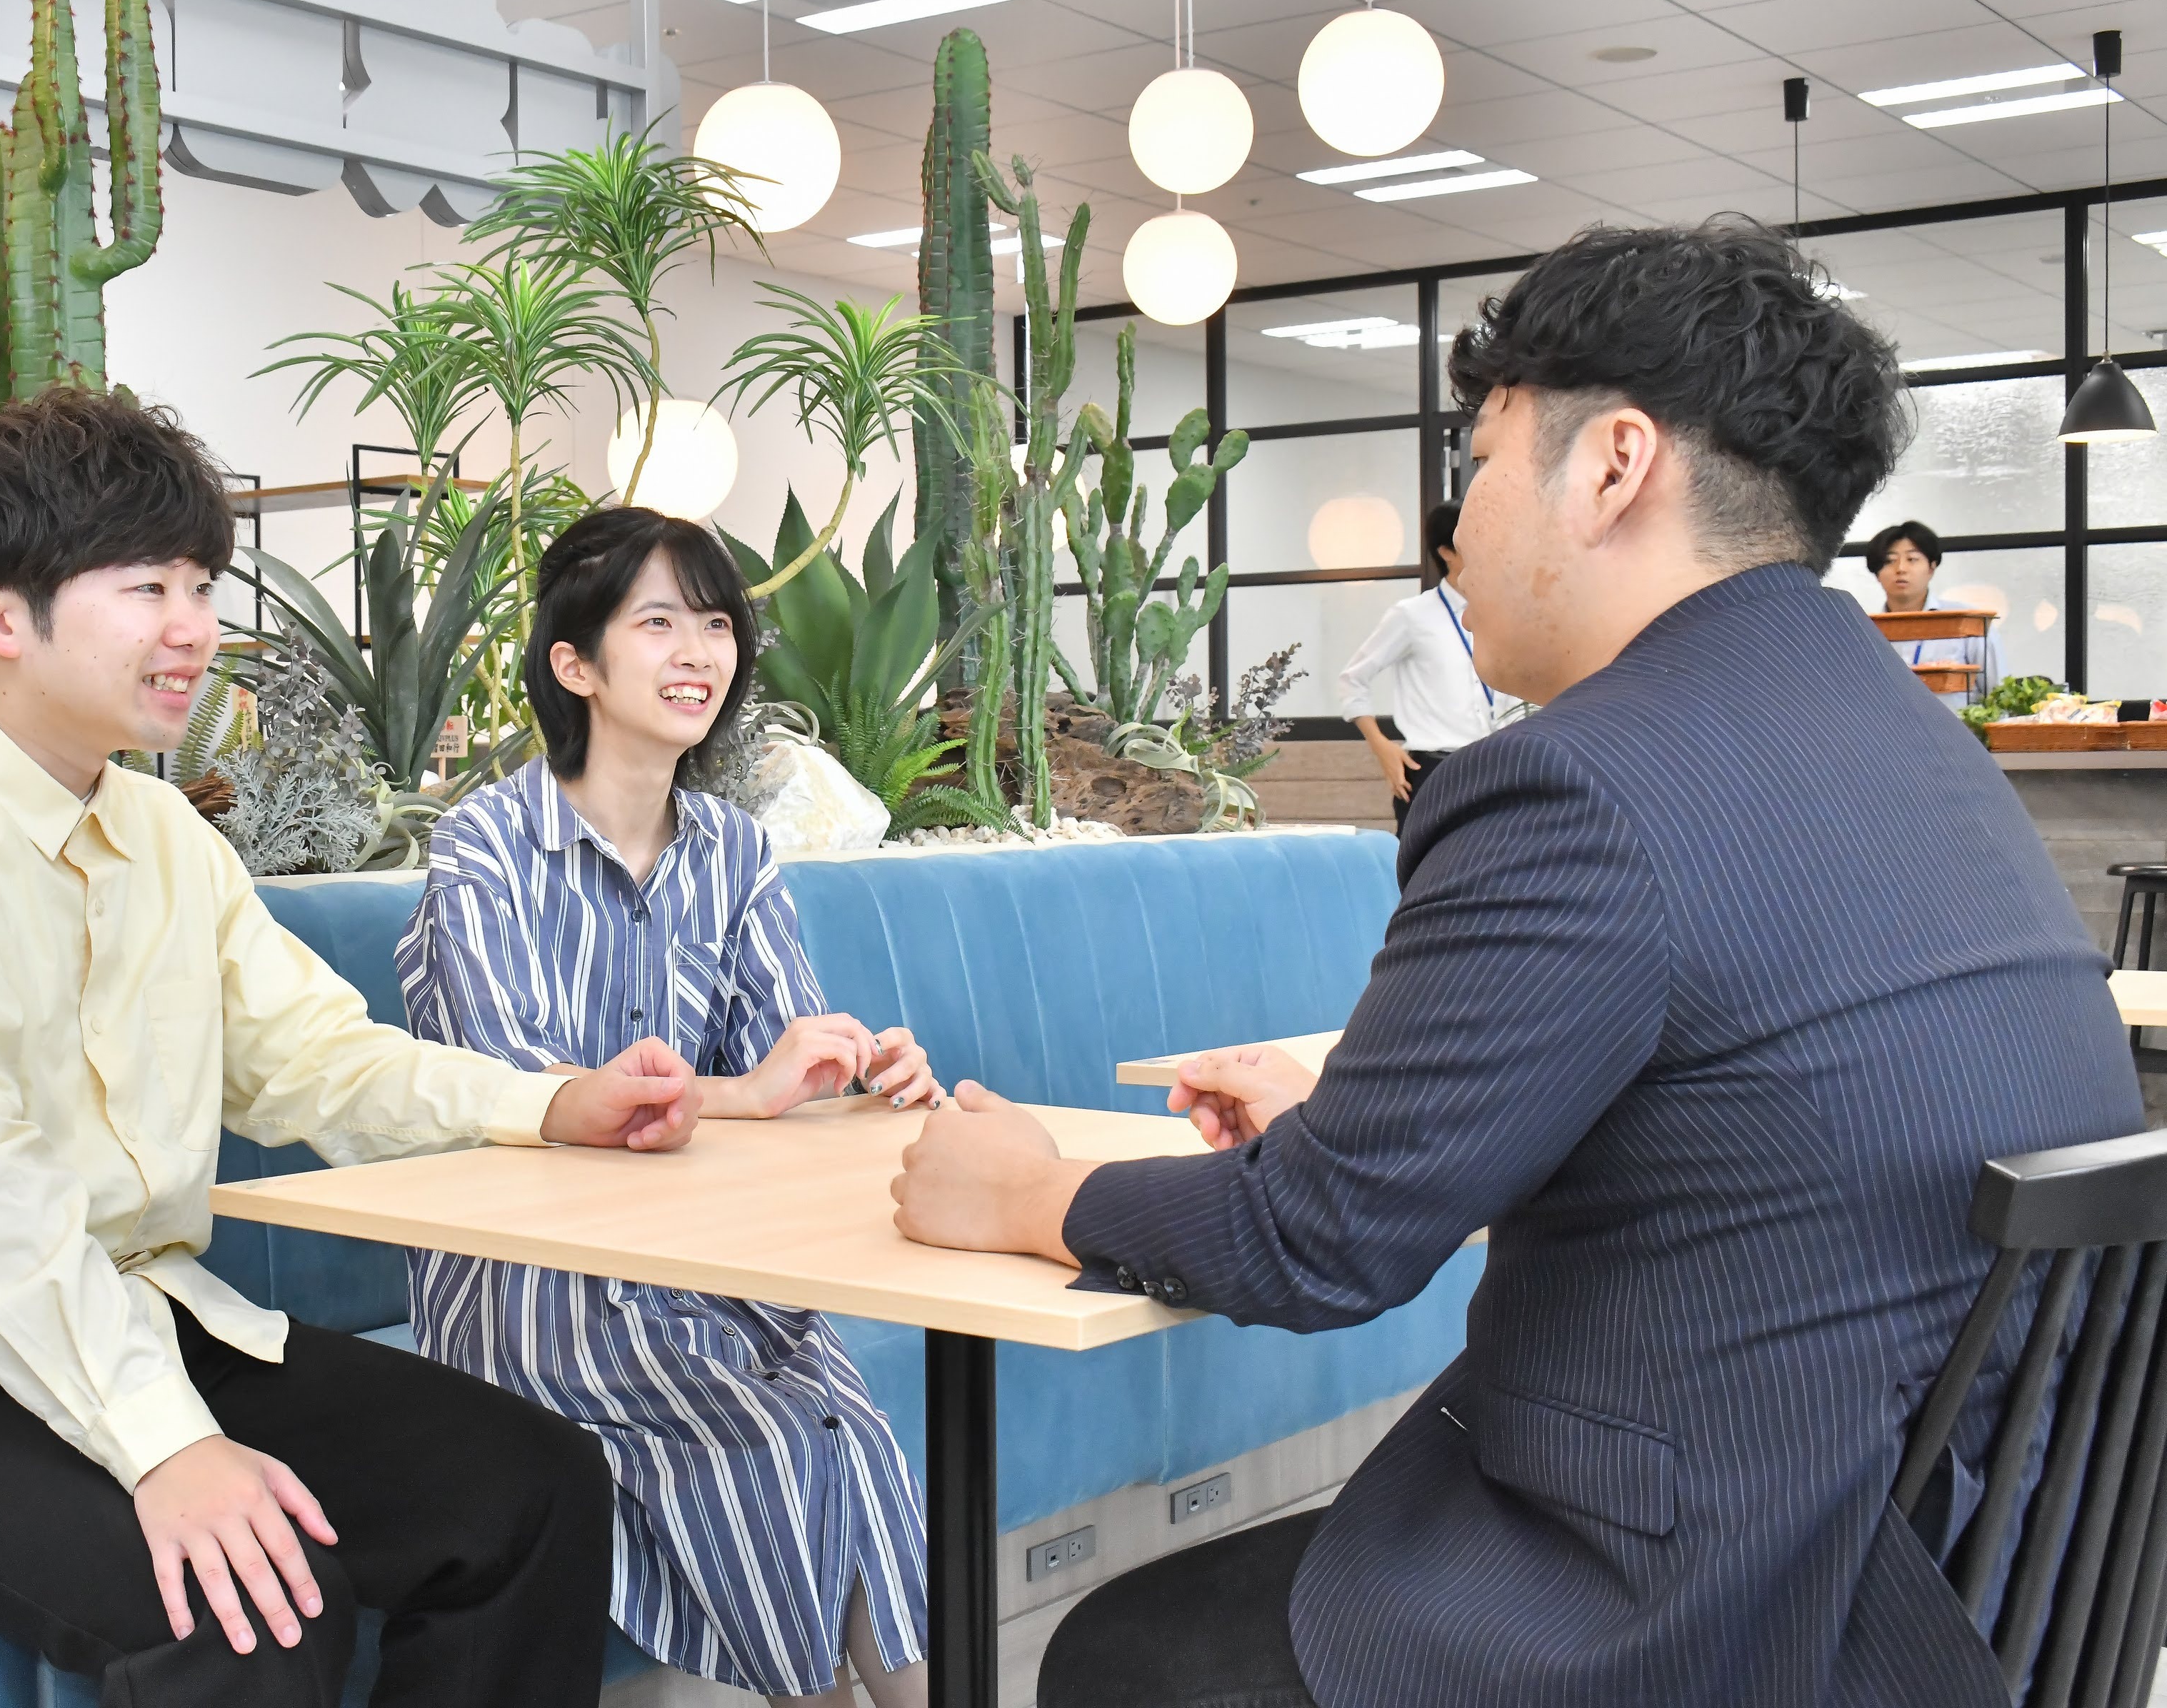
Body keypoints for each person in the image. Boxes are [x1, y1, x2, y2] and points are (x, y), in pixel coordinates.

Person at [889, 218, 2140, 1708]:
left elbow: (1318, 1241)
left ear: (1611, 464)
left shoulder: (1573, 781)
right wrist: (1369, 1131)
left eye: (1479, 460)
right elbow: (1753, 1122)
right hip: (1978, 1580)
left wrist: (1024, 1190)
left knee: (1121, 1651)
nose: (1460, 527)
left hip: (1732, 1610)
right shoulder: (1916, 744)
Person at [0, 388, 708, 1708]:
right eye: (145, 588)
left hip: (143, 1314)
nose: (194, 629)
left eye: (200, 585)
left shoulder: (166, 833)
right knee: (251, 1615)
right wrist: (166, 1443)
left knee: (531, 1484)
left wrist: (550, 1102)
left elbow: (316, 1057)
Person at [393, 506, 938, 1708]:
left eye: (715, 623)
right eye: (657, 624)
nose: (699, 651)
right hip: (532, 1284)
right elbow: (519, 1089)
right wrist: (747, 1090)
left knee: (854, 1434)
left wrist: (859, 1072)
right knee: (779, 1446)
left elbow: (782, 1071)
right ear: (574, 663)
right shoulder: (484, 846)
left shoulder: (733, 851)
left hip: (710, 1264)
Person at [1338, 499, 1506, 827]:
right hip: (1435, 770)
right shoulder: (1411, 616)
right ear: (1446, 552)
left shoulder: (1503, 612)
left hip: (1496, 767)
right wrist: (1382, 747)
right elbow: (1352, 680)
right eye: (1477, 538)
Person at [1869, 518, 2003, 698]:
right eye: (1889, 561)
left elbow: (2000, 694)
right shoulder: (1865, 630)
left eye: (1912, 559)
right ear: (1877, 573)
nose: (1901, 569)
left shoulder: (1968, 623)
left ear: (1932, 567)